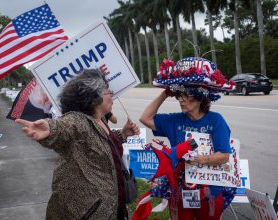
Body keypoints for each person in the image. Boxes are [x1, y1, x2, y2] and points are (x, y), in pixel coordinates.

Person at [16, 69, 140, 220]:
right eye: (109, 92)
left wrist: (123, 134)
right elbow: (64, 128)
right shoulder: (78, 120)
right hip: (90, 212)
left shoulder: (99, 120)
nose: (112, 96)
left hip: (113, 207)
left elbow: (100, 144)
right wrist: (50, 129)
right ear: (95, 96)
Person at [139, 57, 236, 220]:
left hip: (209, 192)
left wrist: (199, 159)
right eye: (179, 95)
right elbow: (145, 118)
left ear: (200, 96)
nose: (181, 100)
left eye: (186, 95)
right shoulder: (175, 120)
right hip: (179, 191)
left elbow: (224, 156)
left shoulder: (216, 120)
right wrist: (167, 91)